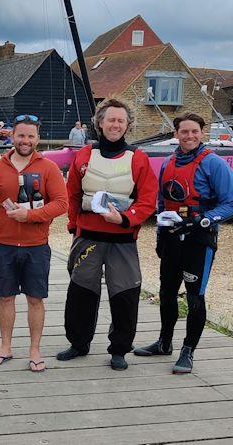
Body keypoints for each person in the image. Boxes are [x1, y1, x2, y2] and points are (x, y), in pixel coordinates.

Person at [57, 98, 158, 371]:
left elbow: (148, 201)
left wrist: (125, 218)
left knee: (124, 295)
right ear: (99, 123)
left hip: (122, 240)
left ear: (127, 125)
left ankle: (119, 349)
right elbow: (73, 194)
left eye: (120, 121)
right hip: (88, 237)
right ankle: (79, 343)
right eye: (110, 119)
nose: (115, 124)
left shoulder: (138, 159)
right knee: (80, 293)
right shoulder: (84, 155)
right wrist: (73, 226)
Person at [134, 112, 233, 373]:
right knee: (167, 293)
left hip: (199, 241)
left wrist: (203, 220)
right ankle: (164, 343)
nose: (189, 136)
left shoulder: (214, 164)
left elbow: (230, 203)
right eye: (184, 132)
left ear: (202, 133)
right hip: (171, 239)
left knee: (194, 297)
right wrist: (158, 235)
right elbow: (161, 203)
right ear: (176, 134)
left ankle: (187, 351)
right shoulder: (167, 162)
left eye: (194, 131)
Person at [0, 115, 68, 372]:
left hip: (36, 246)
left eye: (31, 136)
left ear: (37, 139)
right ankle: (5, 347)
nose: (25, 140)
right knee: (6, 298)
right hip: (4, 246)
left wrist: (29, 215)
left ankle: (34, 350)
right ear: (12, 137)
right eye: (21, 135)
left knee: (35, 299)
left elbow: (61, 204)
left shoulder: (48, 168)